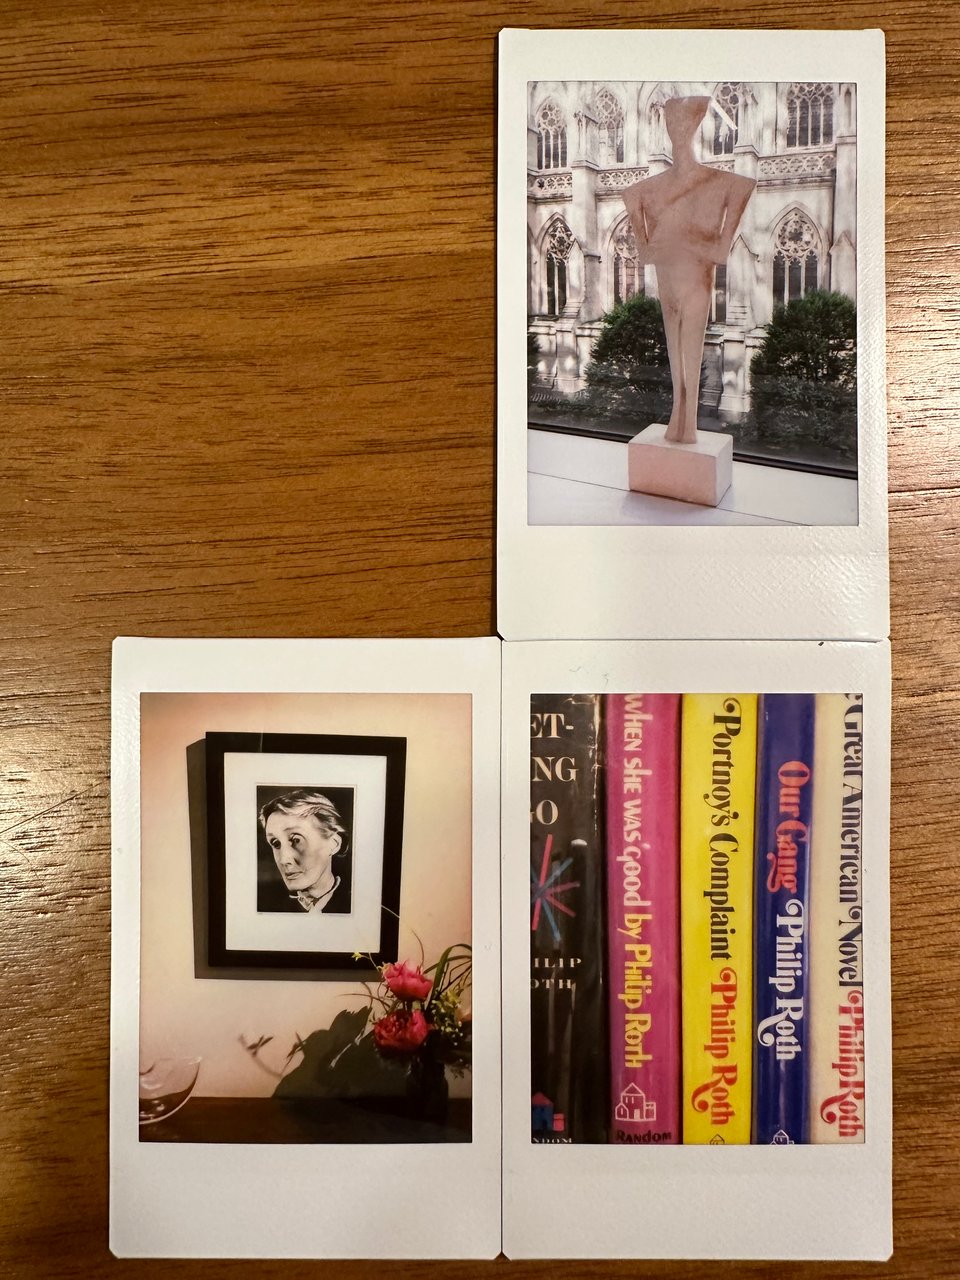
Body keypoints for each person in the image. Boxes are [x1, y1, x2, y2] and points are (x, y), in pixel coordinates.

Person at [621, 96, 755, 444]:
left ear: (695, 126)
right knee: (675, 348)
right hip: (670, 280)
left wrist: (712, 246)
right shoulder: (643, 191)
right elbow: (645, 251)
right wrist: (673, 245)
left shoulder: (724, 182)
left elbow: (725, 242)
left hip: (696, 279)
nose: (677, 131)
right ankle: (680, 415)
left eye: (684, 123)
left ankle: (687, 419)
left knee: (691, 345)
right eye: (671, 123)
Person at [258, 788, 352, 914]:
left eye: (296, 840)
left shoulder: (368, 912)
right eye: (276, 843)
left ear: (334, 844)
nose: (284, 859)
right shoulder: (265, 911)